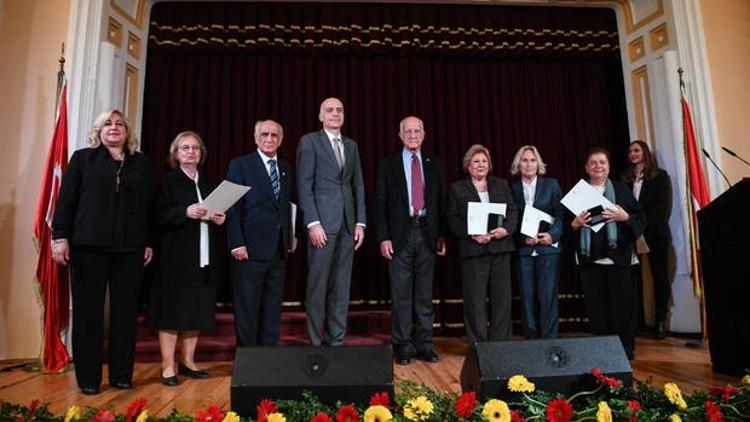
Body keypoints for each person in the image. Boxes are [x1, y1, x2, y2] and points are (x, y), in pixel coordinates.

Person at [51, 109, 155, 395]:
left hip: (130, 249)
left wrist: (148, 241)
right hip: (88, 247)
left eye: (120, 123)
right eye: (107, 123)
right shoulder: (83, 159)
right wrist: (60, 237)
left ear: (127, 132)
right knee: (88, 314)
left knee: (124, 314)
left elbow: (149, 207)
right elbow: (66, 201)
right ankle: (88, 379)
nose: (114, 127)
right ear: (98, 130)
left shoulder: (141, 163)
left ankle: (122, 375)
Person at [148, 131, 226, 386]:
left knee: (197, 310)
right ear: (176, 154)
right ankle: (168, 365)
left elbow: (216, 213)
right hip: (175, 258)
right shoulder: (168, 183)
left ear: (201, 154)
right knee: (172, 312)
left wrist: (219, 218)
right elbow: (157, 217)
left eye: (195, 148)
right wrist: (185, 212)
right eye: (185, 148)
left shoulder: (207, 184)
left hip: (203, 257)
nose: (191, 152)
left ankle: (188, 361)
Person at [375, 116, 446, 365]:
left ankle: (425, 344)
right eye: (408, 131)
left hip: (427, 234)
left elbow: (441, 202)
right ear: (400, 135)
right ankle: (402, 346)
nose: (413, 135)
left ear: (424, 134)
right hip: (399, 235)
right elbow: (380, 203)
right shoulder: (388, 165)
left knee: (425, 295)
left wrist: (442, 235)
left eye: (417, 131)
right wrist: (383, 237)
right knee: (401, 295)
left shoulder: (434, 164)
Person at [297, 97, 366, 346]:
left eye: (339, 110)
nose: (335, 113)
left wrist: (360, 223)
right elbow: (304, 185)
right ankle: (316, 343)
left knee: (341, 288)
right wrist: (312, 222)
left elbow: (357, 185)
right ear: (320, 116)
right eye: (330, 110)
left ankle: (337, 342)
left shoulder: (352, 145)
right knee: (318, 288)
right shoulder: (309, 142)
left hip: (348, 226)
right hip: (322, 227)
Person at [571, 147, 645, 360]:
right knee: (597, 310)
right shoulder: (577, 193)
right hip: (590, 261)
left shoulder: (621, 190)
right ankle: (603, 351)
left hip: (619, 259)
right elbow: (566, 228)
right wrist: (574, 224)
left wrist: (625, 217)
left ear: (609, 166)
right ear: (586, 167)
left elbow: (641, 220)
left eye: (602, 162)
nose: (598, 166)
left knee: (623, 309)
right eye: (593, 163)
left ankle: (625, 350)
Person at [227, 120, 295, 347]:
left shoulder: (285, 167)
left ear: (281, 139)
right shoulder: (240, 165)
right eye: (264, 134)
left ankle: (268, 360)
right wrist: (236, 243)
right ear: (256, 138)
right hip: (248, 250)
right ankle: (247, 361)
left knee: (272, 307)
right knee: (248, 307)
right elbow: (232, 207)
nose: (269, 139)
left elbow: (286, 206)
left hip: (278, 250)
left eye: (274, 135)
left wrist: (291, 235)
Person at [446, 144, 518, 344]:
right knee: (475, 302)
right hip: (474, 250)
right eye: (476, 161)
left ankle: (500, 344)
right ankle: (478, 346)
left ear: (490, 165)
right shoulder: (457, 188)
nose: (480, 165)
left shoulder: (502, 184)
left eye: (484, 161)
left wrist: (505, 229)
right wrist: (472, 233)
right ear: (468, 166)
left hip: (500, 248)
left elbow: (512, 212)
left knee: (502, 300)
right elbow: (452, 219)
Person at [510, 145, 564, 339]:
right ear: (518, 164)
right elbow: (509, 219)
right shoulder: (511, 188)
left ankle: (549, 340)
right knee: (527, 298)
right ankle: (531, 339)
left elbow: (560, 213)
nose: (529, 164)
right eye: (524, 160)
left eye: (532, 160)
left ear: (538, 163)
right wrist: (521, 237)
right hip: (524, 250)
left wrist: (552, 235)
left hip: (548, 249)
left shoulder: (551, 184)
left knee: (548, 297)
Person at [622, 140, 672, 339]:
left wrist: (641, 225)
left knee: (660, 277)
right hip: (631, 235)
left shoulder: (660, 177)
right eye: (630, 151)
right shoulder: (625, 179)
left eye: (636, 150)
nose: (633, 153)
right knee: (631, 279)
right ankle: (636, 322)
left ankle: (660, 321)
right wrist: (633, 227)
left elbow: (662, 209)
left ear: (645, 152)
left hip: (654, 235)